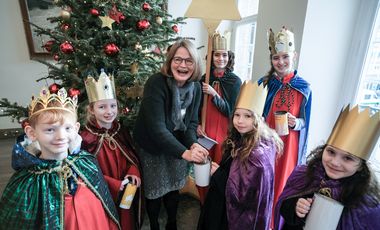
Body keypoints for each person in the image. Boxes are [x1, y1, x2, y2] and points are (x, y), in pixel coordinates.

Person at [0, 87, 120, 229]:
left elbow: (105, 206)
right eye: (50, 129)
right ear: (32, 133)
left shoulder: (86, 161)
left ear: (76, 129)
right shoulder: (26, 181)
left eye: (67, 128)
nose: (61, 136)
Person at [133, 39, 209, 230]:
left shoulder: (196, 88)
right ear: (169, 61)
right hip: (152, 145)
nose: (182, 65)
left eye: (188, 61)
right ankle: (155, 227)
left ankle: (172, 223)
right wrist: (185, 153)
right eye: (177, 59)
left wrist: (193, 145)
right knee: (155, 191)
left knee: (175, 186)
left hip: (177, 144)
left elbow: (191, 124)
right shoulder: (156, 83)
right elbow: (157, 129)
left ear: (195, 65)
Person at [274, 105, 380, 230]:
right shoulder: (303, 175)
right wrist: (295, 207)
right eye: (331, 152)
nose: (335, 162)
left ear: (361, 166)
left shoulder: (366, 202)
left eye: (348, 158)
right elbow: (285, 208)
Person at [198, 81, 283, 230]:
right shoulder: (241, 136)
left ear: (258, 119)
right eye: (237, 114)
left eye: (247, 116)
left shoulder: (258, 154)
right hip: (221, 201)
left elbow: (244, 195)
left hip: (231, 215)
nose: (240, 120)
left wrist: (217, 173)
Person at [258, 27, 312, 223]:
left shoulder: (304, 87)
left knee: (282, 183)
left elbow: (306, 121)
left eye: (285, 57)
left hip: (289, 145)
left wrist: (296, 122)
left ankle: (275, 223)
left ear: (294, 55)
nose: (280, 62)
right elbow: (255, 112)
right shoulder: (265, 84)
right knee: (265, 181)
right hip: (266, 143)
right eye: (275, 58)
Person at [80, 70, 142, 230]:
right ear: (91, 110)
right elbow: (86, 172)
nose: (109, 111)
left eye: (113, 106)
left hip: (125, 191)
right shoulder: (86, 138)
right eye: (102, 107)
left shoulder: (120, 131)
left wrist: (133, 172)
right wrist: (114, 185)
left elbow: (132, 157)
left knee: (126, 219)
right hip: (103, 193)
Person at [197, 32, 242, 203]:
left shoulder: (234, 81)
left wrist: (214, 94)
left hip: (224, 133)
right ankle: (203, 201)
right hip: (205, 132)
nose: (220, 58)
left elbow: (231, 112)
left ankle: (217, 203)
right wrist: (196, 125)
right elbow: (197, 106)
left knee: (219, 168)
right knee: (202, 166)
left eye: (224, 54)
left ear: (229, 57)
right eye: (217, 54)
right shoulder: (204, 79)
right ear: (211, 56)